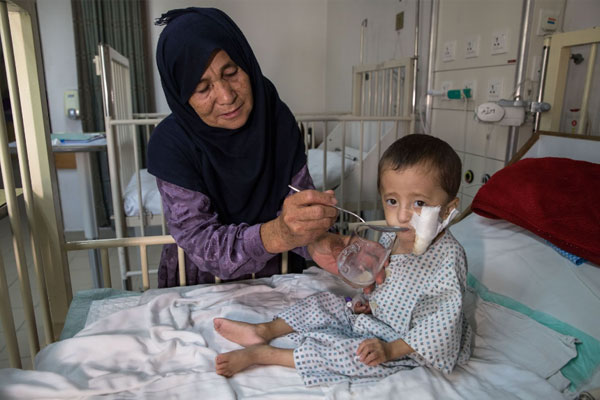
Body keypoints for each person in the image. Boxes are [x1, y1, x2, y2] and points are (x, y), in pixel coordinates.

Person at [213, 134, 473, 386]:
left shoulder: (448, 258)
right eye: (392, 201)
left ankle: (264, 355)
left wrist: (390, 350)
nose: (402, 215)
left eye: (418, 202)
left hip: (408, 345)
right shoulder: (393, 238)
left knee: (353, 354)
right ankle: (265, 331)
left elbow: (441, 324)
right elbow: (387, 286)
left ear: (448, 209)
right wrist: (369, 304)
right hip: (378, 320)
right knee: (326, 301)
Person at [148, 8, 344, 287]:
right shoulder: (170, 145)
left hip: (276, 277)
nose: (227, 97)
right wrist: (277, 234)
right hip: (200, 286)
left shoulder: (275, 119)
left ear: (247, 63)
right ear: (182, 97)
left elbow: (296, 202)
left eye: (231, 72)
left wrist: (320, 240)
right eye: (202, 88)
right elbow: (201, 242)